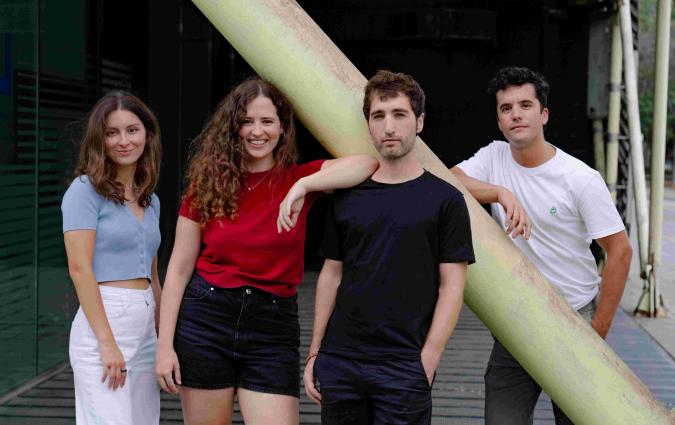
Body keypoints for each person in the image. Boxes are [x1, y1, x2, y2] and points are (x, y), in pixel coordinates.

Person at [155, 76, 378, 425]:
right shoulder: (207, 186)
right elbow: (179, 269)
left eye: (267, 121)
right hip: (206, 320)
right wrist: (164, 346)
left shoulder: (298, 180)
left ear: (282, 129)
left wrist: (303, 185)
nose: (256, 131)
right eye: (246, 121)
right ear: (233, 128)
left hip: (272, 328)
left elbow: (368, 164)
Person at [451, 66, 633, 425]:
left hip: (573, 316)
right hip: (519, 317)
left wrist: (597, 332)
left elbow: (620, 252)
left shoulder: (579, 178)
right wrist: (500, 193)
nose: (516, 114)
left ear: (544, 114)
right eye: (506, 108)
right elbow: (450, 181)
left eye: (525, 105)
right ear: (500, 121)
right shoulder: (494, 156)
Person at [303, 70, 475, 425]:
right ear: (369, 125)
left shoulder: (445, 200)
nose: (389, 127)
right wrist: (316, 352)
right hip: (342, 361)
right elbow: (331, 275)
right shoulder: (347, 196)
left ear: (420, 122)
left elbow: (452, 286)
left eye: (399, 114)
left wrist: (429, 359)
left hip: (405, 365)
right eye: (378, 116)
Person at [62, 91, 163, 424]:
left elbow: (153, 275)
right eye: (111, 132)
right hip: (103, 327)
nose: (123, 141)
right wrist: (106, 343)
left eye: (132, 130)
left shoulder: (151, 199)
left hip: (146, 329)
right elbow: (79, 269)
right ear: (99, 139)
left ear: (147, 135)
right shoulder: (84, 190)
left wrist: (163, 338)